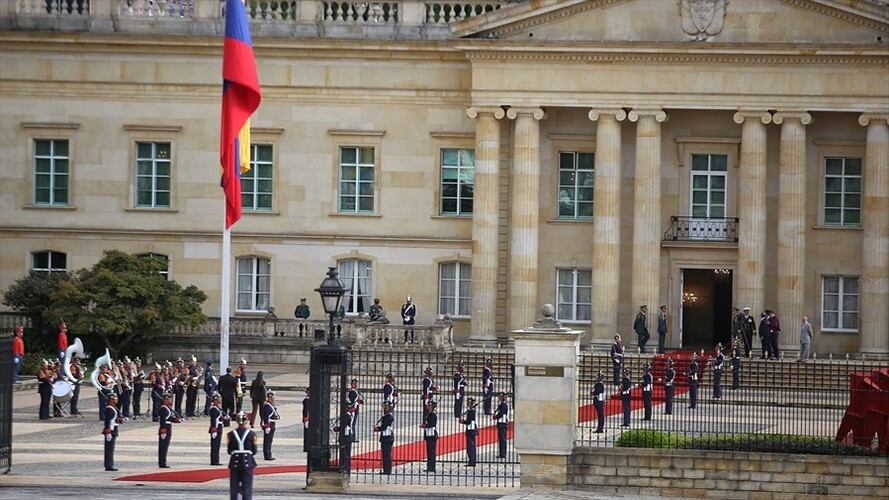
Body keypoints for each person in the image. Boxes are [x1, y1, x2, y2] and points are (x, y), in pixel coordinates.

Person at [227, 411, 257, 500]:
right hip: (247, 462)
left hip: (235, 462)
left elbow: (229, 450)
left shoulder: (231, 434)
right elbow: (254, 451)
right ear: (246, 421)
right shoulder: (252, 434)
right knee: (247, 487)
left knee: (234, 487)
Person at [158, 391, 180, 468]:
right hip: (165, 428)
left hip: (168, 427)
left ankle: (163, 461)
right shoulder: (164, 408)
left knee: (165, 446)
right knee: (163, 446)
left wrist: (176, 420)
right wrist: (163, 430)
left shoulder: (168, 408)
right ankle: (162, 462)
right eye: (170, 399)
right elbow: (163, 420)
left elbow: (169, 418)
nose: (171, 400)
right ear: (166, 400)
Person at [333, 403, 356, 473]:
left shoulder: (346, 416)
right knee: (346, 452)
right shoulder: (349, 415)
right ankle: (346, 467)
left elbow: (343, 426)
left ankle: (345, 467)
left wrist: (337, 429)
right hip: (348, 434)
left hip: (346, 435)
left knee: (345, 452)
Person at [103, 392, 123, 471]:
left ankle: (110, 464)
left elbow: (113, 419)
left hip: (113, 429)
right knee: (109, 449)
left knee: (111, 448)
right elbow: (108, 421)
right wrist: (108, 431)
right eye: (115, 399)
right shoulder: (109, 409)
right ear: (111, 400)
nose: (116, 400)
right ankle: (109, 465)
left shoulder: (113, 408)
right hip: (110, 430)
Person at [374, 401, 395, 475]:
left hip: (388, 437)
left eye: (386, 407)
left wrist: (378, 429)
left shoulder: (389, 416)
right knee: (385, 454)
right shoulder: (386, 416)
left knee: (387, 454)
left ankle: (387, 470)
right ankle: (385, 469)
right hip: (385, 436)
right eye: (384, 407)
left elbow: (384, 426)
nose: (385, 408)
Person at [260, 390, 280, 461]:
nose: (272, 399)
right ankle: (267, 455)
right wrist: (267, 426)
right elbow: (266, 417)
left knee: (270, 440)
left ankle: (269, 453)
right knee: (267, 441)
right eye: (270, 397)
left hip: (272, 424)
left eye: (273, 397)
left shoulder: (271, 406)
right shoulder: (267, 406)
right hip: (269, 425)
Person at [420, 400, 438, 472]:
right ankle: (429, 466)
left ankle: (432, 467)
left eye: (430, 405)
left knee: (432, 452)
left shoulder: (433, 414)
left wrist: (425, 426)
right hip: (428, 434)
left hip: (432, 434)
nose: (428, 407)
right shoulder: (429, 414)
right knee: (429, 451)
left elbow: (432, 424)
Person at [209, 393, 226, 465]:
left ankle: (216, 460)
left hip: (219, 427)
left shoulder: (218, 408)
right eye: (218, 399)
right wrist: (214, 430)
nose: (219, 401)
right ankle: (214, 461)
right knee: (215, 445)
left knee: (217, 445)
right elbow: (213, 420)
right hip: (216, 428)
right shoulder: (214, 409)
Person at [460, 397, 478, 466]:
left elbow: (468, 421)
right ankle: (471, 460)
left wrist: (463, 421)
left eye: (469, 402)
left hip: (471, 429)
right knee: (471, 445)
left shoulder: (471, 411)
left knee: (470, 446)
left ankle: (472, 461)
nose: (467, 403)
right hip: (470, 429)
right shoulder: (471, 410)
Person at [493, 392, 510, 459]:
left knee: (502, 439)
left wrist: (496, 417)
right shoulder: (501, 404)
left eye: (500, 396)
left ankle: (503, 454)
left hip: (502, 423)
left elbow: (501, 414)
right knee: (501, 439)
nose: (499, 398)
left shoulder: (503, 405)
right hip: (501, 422)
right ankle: (501, 453)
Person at [302, 387, 310, 453]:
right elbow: (305, 410)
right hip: (308, 419)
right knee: (307, 434)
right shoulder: (306, 400)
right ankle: (307, 447)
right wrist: (306, 419)